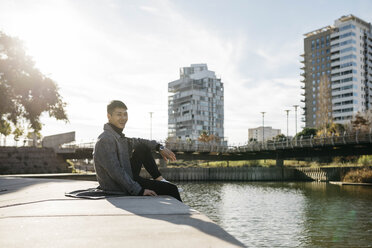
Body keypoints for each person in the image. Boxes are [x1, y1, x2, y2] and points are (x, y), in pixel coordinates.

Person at [93, 100, 182, 201]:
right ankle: (184, 216)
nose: (123, 118)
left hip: (127, 179)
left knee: (142, 147)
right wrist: (138, 190)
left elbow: (140, 141)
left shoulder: (119, 138)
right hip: (117, 188)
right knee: (172, 189)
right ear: (109, 116)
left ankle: (160, 180)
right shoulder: (105, 140)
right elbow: (116, 172)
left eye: (125, 114)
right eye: (119, 115)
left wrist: (159, 147)